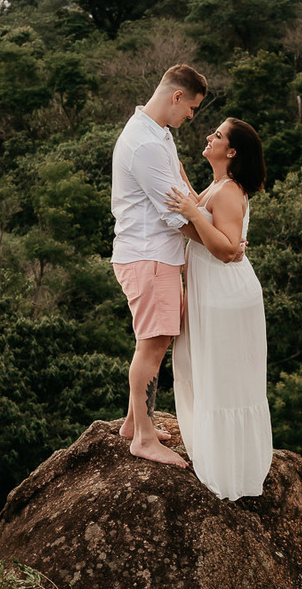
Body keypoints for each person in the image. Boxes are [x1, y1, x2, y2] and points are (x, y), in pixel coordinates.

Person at [166, 117, 273, 500]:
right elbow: (203, 230)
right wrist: (186, 193)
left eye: (218, 135)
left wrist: (192, 212)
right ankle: (220, 460)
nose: (209, 137)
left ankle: (230, 472)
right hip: (212, 290)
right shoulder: (217, 187)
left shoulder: (227, 191)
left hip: (225, 295)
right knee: (209, 373)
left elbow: (227, 250)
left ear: (231, 151)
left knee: (223, 379)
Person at [110, 64, 207, 468]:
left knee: (154, 340)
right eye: (193, 109)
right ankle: (144, 440)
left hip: (154, 256)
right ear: (177, 96)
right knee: (153, 345)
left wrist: (202, 206)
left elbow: (181, 187)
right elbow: (172, 213)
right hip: (148, 256)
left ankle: (136, 422)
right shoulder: (144, 143)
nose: (192, 118)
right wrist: (220, 245)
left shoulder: (158, 133)